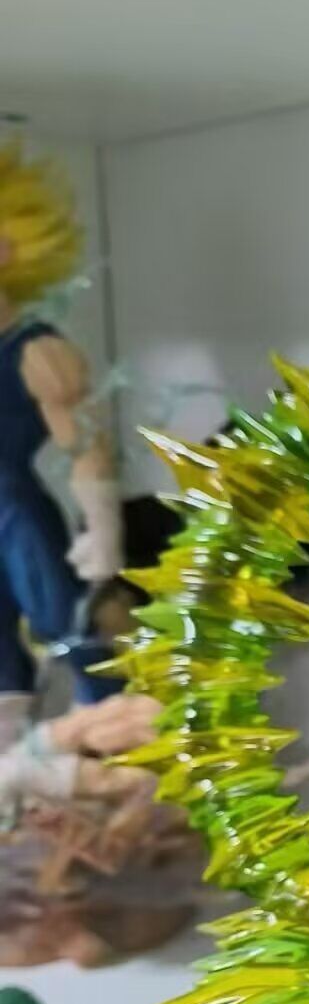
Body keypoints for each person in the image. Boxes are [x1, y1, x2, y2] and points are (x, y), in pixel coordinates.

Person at [0, 137, 125, 733]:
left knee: (64, 620)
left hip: (14, 512)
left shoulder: (36, 352)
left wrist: (102, 527)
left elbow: (85, 445)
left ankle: (110, 726)